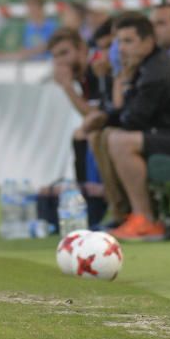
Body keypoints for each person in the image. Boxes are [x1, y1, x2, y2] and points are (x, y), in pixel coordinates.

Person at [81, 12, 170, 241]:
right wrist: (104, 118)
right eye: (119, 42)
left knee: (121, 141)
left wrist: (121, 85)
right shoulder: (149, 66)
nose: (121, 48)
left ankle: (146, 220)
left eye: (128, 41)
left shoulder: (158, 72)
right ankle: (123, 213)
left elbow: (133, 120)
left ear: (149, 42)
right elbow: (129, 114)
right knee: (102, 134)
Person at [46, 27, 108, 226]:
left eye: (64, 53)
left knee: (87, 133)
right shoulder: (83, 75)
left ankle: (99, 200)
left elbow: (96, 116)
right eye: (56, 57)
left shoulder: (98, 68)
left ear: (81, 49)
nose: (61, 61)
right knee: (81, 133)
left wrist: (67, 87)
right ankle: (89, 200)